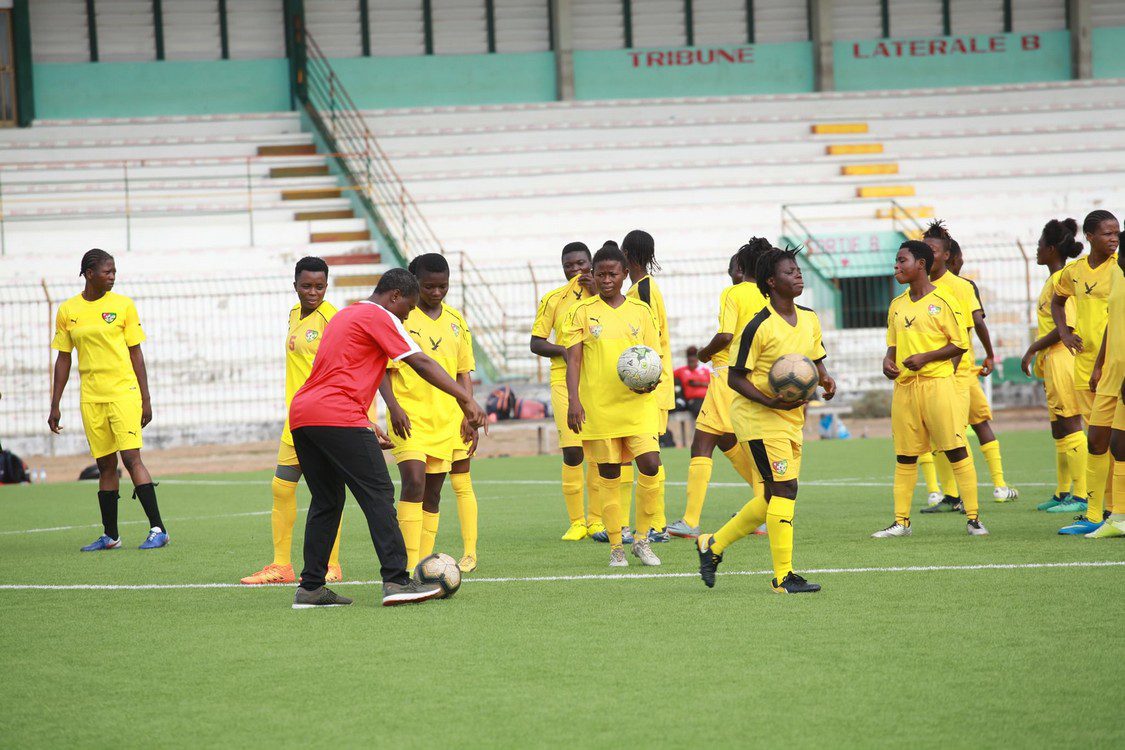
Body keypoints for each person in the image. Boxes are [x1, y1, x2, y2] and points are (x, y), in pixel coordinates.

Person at [288, 268, 487, 608]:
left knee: (327, 500)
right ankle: (396, 580)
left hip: (305, 415)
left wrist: (364, 419)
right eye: (407, 309)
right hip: (337, 416)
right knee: (379, 494)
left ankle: (310, 588)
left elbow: (340, 372)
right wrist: (465, 398)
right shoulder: (378, 315)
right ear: (395, 297)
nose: (406, 317)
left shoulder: (346, 314)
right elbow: (421, 361)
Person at [696, 245, 835, 594]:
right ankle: (783, 577)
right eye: (790, 272)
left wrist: (826, 377)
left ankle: (712, 545)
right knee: (786, 490)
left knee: (774, 497)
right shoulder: (758, 326)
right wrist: (770, 400)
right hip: (757, 418)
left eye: (798, 270)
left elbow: (814, 359)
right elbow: (735, 378)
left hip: (791, 418)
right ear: (771, 282)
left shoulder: (810, 318)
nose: (798, 275)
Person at [49, 249, 168, 551]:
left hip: (123, 393)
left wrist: (146, 397)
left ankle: (158, 529)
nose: (113, 276)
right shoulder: (68, 311)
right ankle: (111, 535)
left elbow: (135, 353)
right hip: (91, 397)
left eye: (114, 271)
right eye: (107, 271)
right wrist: (55, 404)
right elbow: (63, 358)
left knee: (131, 459)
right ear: (90, 273)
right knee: (105, 465)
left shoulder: (123, 306)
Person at [872, 240, 986, 539]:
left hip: (939, 385)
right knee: (905, 456)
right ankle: (901, 522)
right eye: (896, 261)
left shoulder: (945, 301)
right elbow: (893, 344)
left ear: (920, 264)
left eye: (902, 260)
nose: (896, 266)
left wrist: (926, 357)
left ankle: (973, 518)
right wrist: (887, 360)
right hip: (905, 389)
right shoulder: (897, 304)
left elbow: (960, 343)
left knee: (956, 449)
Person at [242, 257, 344, 585]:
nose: (312, 292)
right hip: (296, 419)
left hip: (324, 419)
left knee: (325, 491)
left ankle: (331, 564)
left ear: (327, 286)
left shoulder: (333, 320)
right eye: (306, 285)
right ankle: (281, 566)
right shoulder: (293, 314)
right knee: (282, 487)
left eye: (319, 286)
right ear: (295, 285)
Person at [563, 243, 664, 568]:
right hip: (600, 407)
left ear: (623, 275)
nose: (606, 280)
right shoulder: (582, 312)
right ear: (593, 274)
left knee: (650, 464)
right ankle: (617, 546)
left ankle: (643, 539)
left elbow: (653, 356)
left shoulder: (641, 311)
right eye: (601, 274)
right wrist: (574, 400)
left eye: (613, 274)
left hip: (638, 405)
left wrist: (652, 380)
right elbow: (574, 359)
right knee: (609, 474)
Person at [381, 254, 481, 572]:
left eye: (443, 286)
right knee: (413, 482)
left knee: (433, 494)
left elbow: (464, 371)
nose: (437, 292)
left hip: (448, 419)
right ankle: (406, 566)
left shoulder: (456, 320)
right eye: (429, 286)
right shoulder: (401, 319)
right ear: (414, 283)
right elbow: (383, 369)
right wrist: (393, 407)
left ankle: (422, 562)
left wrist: (468, 412)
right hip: (409, 417)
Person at [667, 240, 769, 539]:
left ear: (739, 269)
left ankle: (689, 521)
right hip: (754, 377)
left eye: (730, 269)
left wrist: (703, 354)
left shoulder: (734, 292)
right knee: (731, 443)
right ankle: (764, 508)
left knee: (702, 443)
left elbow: (725, 335)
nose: (728, 274)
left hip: (727, 375)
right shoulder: (768, 294)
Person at [918, 222, 1018, 514]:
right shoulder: (920, 288)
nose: (927, 254)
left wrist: (989, 354)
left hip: (960, 373)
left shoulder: (961, 287)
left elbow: (976, 323)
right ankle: (951, 495)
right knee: (941, 433)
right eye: (924, 249)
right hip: (936, 373)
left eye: (933, 250)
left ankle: (991, 487)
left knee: (965, 429)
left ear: (947, 255)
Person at [1053, 210, 1120, 535]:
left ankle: (1110, 511)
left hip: (1113, 367)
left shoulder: (1119, 269)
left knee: (1112, 441)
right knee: (1098, 442)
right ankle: (1098, 513)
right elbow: (1057, 300)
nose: (1113, 239)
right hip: (1085, 367)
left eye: (1116, 233)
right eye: (1107, 233)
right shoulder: (1075, 272)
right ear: (1090, 236)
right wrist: (1065, 333)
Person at [529, 242, 599, 541]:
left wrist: (596, 291)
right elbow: (536, 342)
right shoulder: (553, 299)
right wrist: (566, 351)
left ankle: (597, 520)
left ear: (591, 264)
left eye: (581, 264)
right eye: (569, 265)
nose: (575, 270)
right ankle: (577, 521)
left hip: (599, 380)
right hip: (563, 380)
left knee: (599, 451)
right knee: (573, 451)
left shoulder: (605, 296)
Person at [1020, 219, 1087, 512]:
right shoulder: (1052, 280)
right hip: (1052, 360)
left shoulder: (1064, 280)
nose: (1035, 251)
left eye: (1038, 246)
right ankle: (1062, 492)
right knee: (1059, 428)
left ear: (1050, 249)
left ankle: (1083, 495)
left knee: (1071, 423)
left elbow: (1067, 326)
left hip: (1062, 357)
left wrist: (1032, 348)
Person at [622, 229, 672, 542]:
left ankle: (657, 524)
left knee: (650, 455)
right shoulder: (643, 288)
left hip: (651, 385)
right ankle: (655, 524)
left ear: (627, 255)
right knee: (643, 454)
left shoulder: (643, 291)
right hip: (650, 384)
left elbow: (647, 342)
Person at [1090, 239, 1125, 537]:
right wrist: (1099, 363)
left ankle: (1118, 516)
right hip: (1112, 372)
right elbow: (1111, 322)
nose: (1118, 257)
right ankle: (1109, 514)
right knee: (1099, 439)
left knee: (1120, 444)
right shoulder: (1117, 275)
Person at [673, 346, 710, 417]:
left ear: (697, 360)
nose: (692, 362)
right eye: (690, 361)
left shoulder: (705, 370)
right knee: (700, 411)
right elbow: (669, 376)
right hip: (694, 400)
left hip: (707, 398)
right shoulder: (681, 371)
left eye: (693, 360)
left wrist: (699, 383)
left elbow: (712, 384)